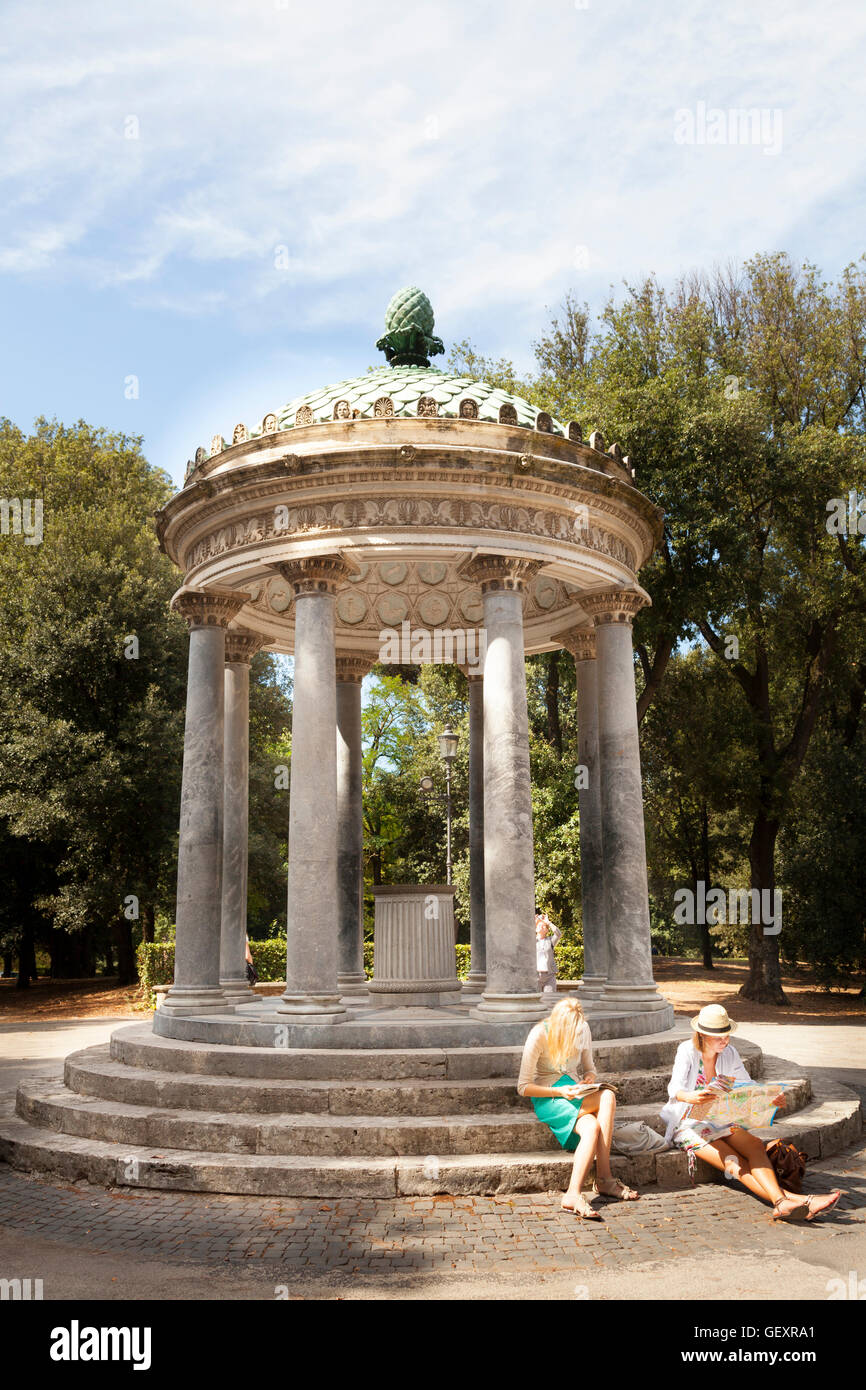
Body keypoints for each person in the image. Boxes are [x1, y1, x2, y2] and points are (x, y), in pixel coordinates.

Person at [661, 1004, 842, 1222]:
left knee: (756, 1145)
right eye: (718, 1037)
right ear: (702, 1034)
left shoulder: (729, 1052)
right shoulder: (687, 1051)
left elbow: (747, 1084)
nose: (724, 1041)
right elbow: (674, 1089)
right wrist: (689, 1097)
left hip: (720, 1117)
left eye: (726, 1035)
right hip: (689, 1121)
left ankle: (784, 1203)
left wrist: (769, 1099)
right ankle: (797, 1200)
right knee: (733, 1160)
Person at [517, 996, 638, 1219]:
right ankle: (605, 1178)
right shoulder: (539, 1034)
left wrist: (588, 1080)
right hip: (549, 1096)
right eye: (571, 1033)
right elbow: (523, 1087)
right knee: (608, 1096)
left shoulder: (582, 1029)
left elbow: (590, 1069)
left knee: (592, 1127)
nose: (576, 1037)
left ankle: (574, 1193)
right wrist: (560, 1092)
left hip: (574, 1091)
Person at [535, 911, 562, 994]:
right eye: (540, 925)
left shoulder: (550, 941)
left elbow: (558, 934)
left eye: (544, 926)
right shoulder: (531, 941)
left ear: (547, 930)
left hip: (549, 976)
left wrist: (548, 922)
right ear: (535, 928)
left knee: (549, 1000)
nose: (542, 927)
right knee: (534, 1001)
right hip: (535, 976)